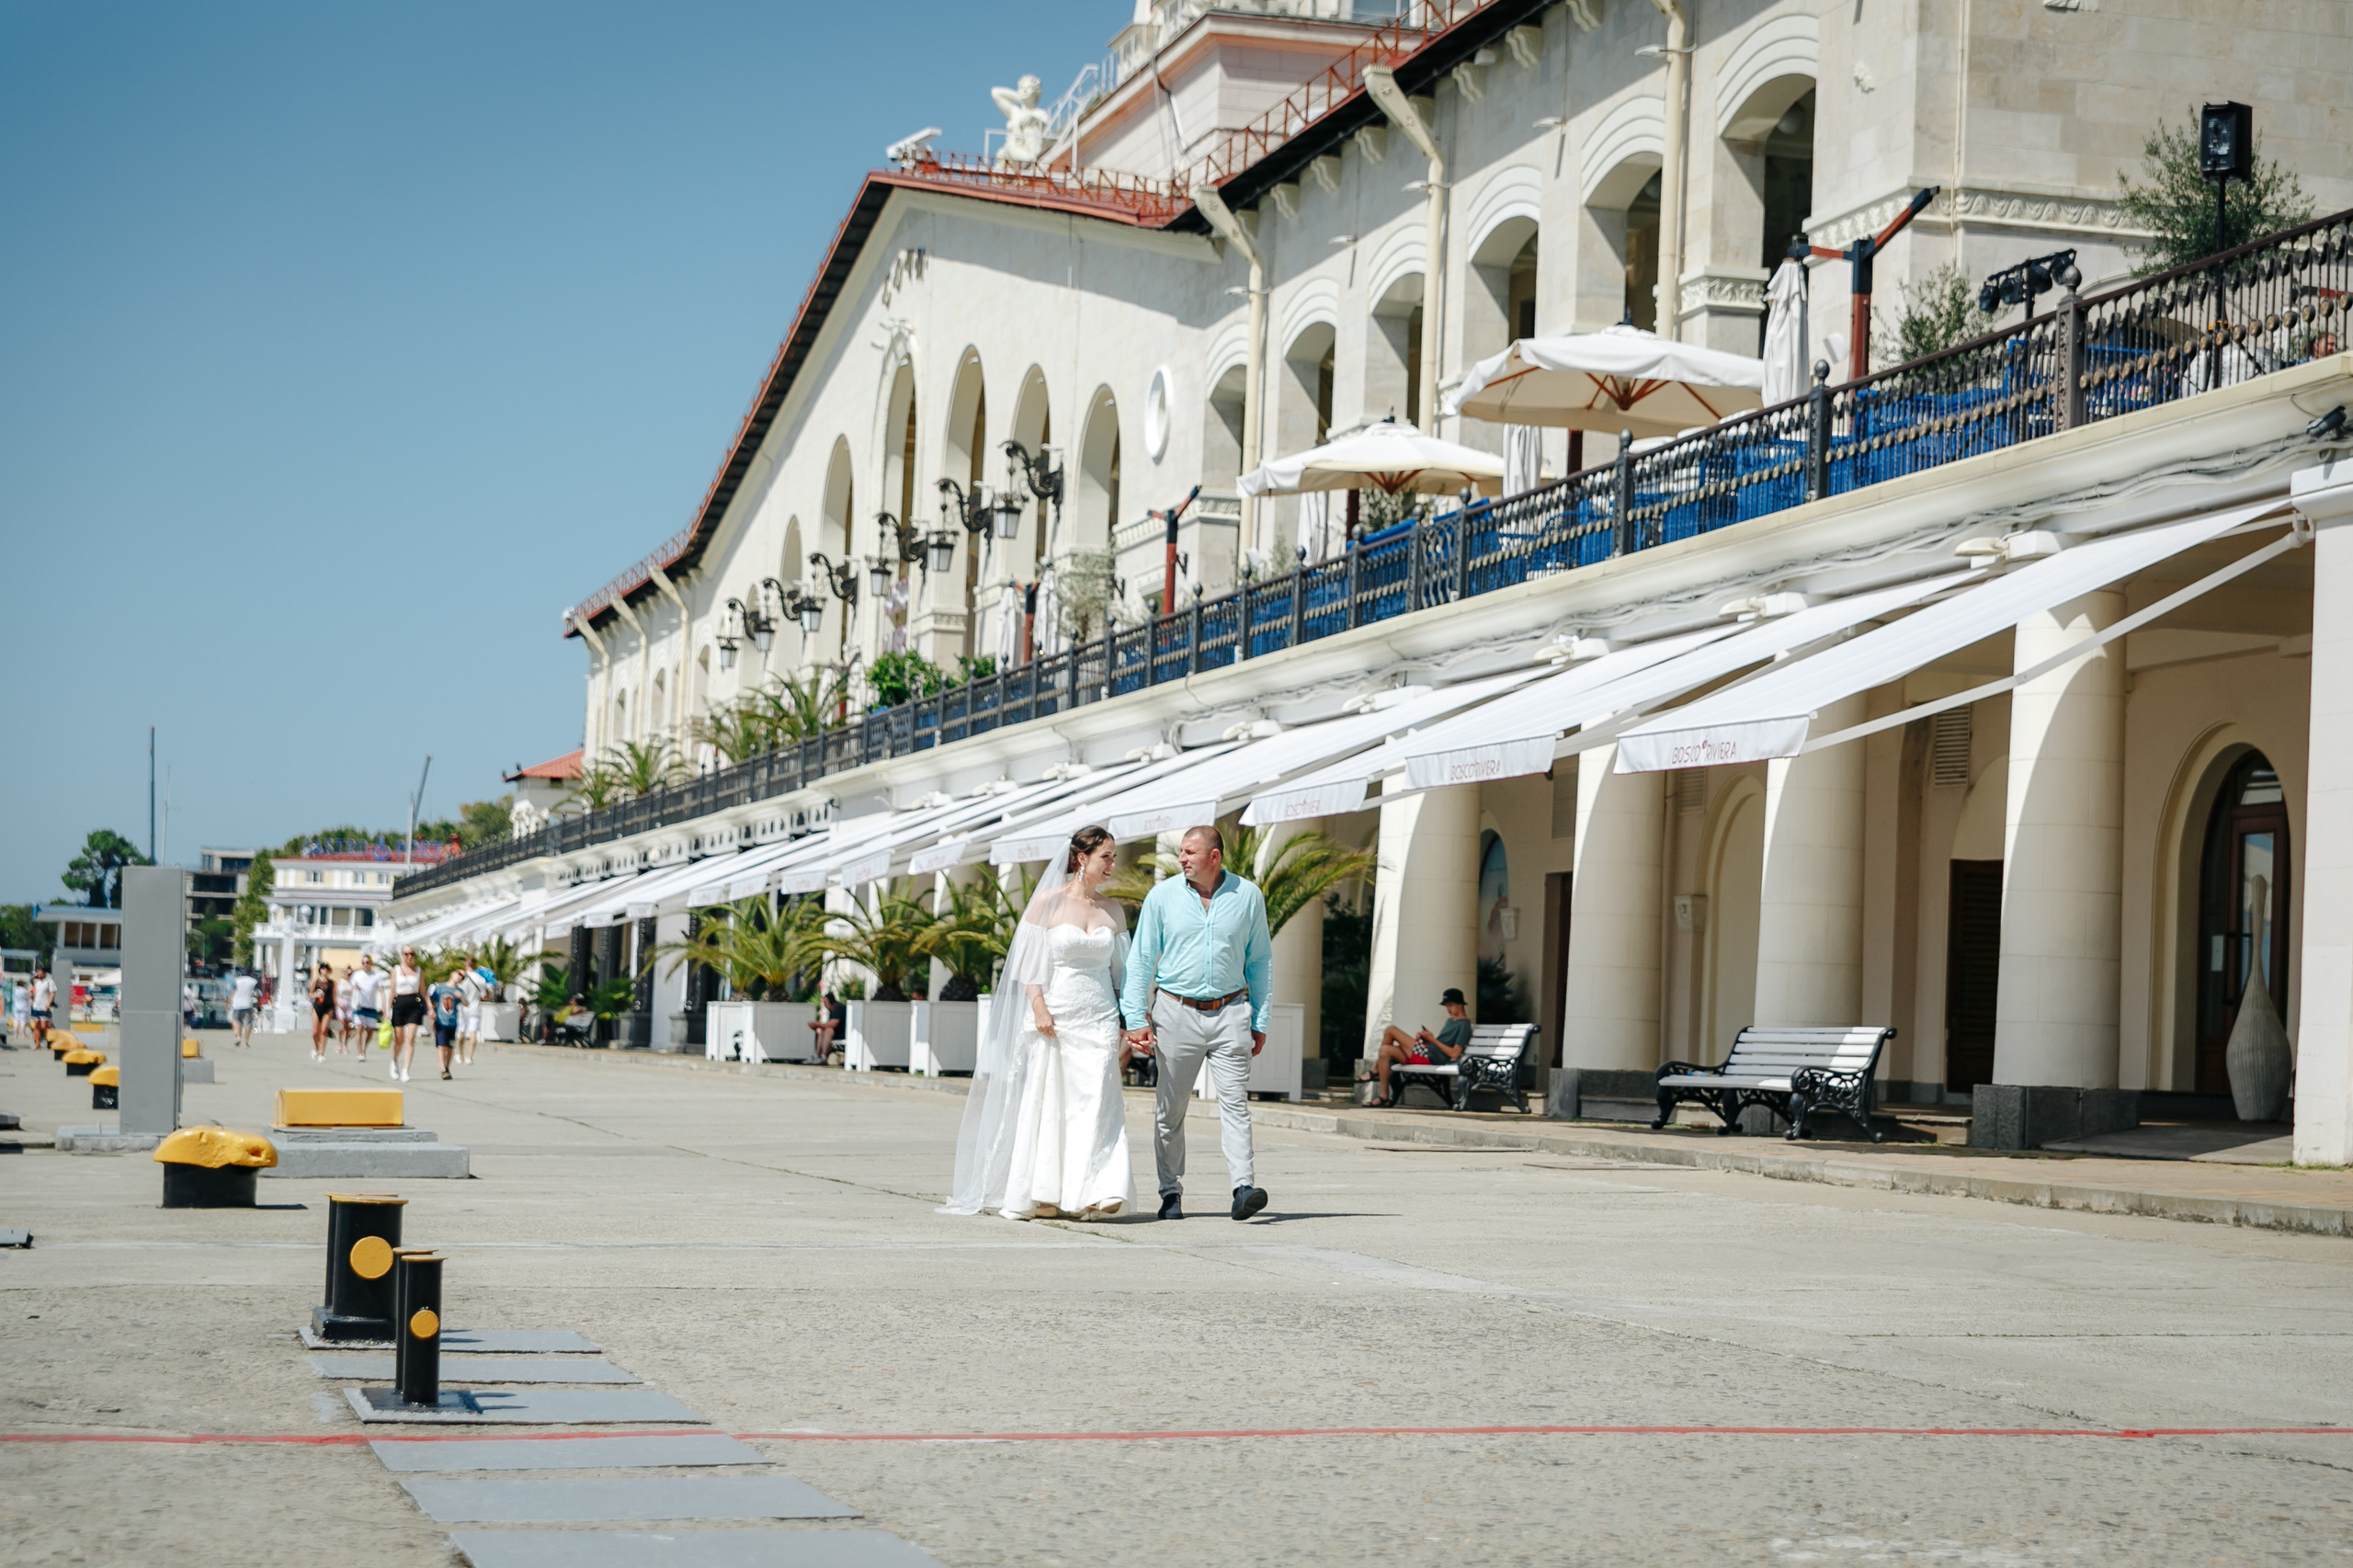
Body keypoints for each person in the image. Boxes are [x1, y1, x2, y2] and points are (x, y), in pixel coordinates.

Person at [941, 825, 1133, 1221]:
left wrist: (1131, 1023)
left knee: (1098, 1102)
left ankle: (1101, 1188)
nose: (1113, 864)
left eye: (1114, 857)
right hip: (1056, 1014)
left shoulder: (1113, 911)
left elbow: (1124, 973)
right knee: (1052, 1102)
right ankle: (1045, 1193)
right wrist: (1039, 1006)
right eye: (1106, 857)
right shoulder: (1046, 902)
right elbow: (1029, 964)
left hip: (1099, 1017)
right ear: (1082, 858)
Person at [1120, 824, 1273, 1222]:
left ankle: (1243, 1188)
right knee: (1170, 1110)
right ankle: (1170, 1193)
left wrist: (1260, 1018)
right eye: (1181, 853)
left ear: (1214, 856)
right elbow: (1140, 960)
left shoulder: (1248, 897)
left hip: (1231, 1012)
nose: (1181, 859)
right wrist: (1135, 1017)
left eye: (1189, 852)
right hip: (1175, 1012)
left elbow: (1260, 962)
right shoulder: (1162, 897)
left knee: (1235, 1105)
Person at [1364, 987, 1473, 1105]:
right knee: (1384, 1050)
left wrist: (1432, 1040)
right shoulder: (1450, 1021)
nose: (1448, 1009)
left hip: (1433, 1057)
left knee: (1391, 1030)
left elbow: (1454, 1053)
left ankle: (1375, 1071)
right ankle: (1384, 1095)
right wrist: (1428, 1039)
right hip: (1427, 1052)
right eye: (1446, 1006)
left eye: (1450, 1005)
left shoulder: (1464, 1025)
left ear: (1460, 1005)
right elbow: (1441, 1044)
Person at [388, 947, 426, 1083]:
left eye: (412, 954)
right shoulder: (396, 970)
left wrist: (430, 1007)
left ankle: (406, 1069)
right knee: (399, 1039)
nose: (409, 957)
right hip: (399, 1003)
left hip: (414, 1004)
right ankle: (394, 1061)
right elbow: (392, 990)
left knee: (410, 1038)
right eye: (406, 954)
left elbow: (423, 990)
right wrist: (388, 1010)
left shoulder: (418, 971)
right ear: (402, 955)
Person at [346, 953, 385, 1062]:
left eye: (367, 963)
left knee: (370, 1030)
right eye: (363, 963)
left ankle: (364, 1048)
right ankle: (359, 1052)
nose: (365, 965)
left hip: (371, 1006)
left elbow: (381, 991)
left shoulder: (376, 976)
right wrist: (354, 987)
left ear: (371, 963)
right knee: (359, 1028)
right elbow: (350, 989)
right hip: (359, 1006)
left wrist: (383, 1005)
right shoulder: (357, 975)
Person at [428, 968, 465, 1080]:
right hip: (441, 1020)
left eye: (463, 977)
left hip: (452, 1022)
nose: (460, 977)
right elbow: (431, 999)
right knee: (441, 1046)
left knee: (449, 1047)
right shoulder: (440, 988)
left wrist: (461, 998)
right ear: (452, 973)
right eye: (459, 974)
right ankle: (442, 1069)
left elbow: (467, 1003)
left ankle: (447, 1067)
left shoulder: (460, 991)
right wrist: (431, 1010)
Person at [807, 990, 846, 1062]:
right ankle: (817, 1054)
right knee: (822, 1030)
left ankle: (823, 1056)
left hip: (842, 1034)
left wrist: (818, 1024)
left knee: (828, 1030)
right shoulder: (832, 1011)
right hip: (837, 1033)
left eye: (825, 1003)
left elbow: (834, 1023)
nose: (824, 1005)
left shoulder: (838, 1008)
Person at [309, 964, 337, 1062]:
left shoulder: (332, 983)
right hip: (318, 1007)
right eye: (322, 969)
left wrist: (335, 1010)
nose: (324, 971)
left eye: (326, 969)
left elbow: (334, 997)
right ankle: (316, 1048)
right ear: (320, 970)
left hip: (328, 1008)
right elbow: (310, 994)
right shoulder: (316, 982)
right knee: (315, 1032)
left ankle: (321, 1053)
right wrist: (315, 995)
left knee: (324, 1030)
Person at [228, 970, 260, 1049]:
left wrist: (228, 1001)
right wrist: (257, 1003)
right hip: (248, 1004)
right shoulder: (253, 981)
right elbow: (257, 994)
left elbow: (233, 991)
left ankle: (238, 1036)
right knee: (248, 1023)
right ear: (250, 973)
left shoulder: (236, 981)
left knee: (237, 1021)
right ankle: (246, 1042)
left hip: (237, 1004)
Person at [29, 967, 55, 1050]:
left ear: (44, 973)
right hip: (36, 1006)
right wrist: (32, 1000)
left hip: (44, 1006)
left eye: (40, 973)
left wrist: (49, 1004)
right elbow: (32, 992)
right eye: (38, 973)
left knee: (44, 1026)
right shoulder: (36, 982)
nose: (39, 974)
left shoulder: (49, 982)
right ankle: (37, 1044)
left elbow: (52, 994)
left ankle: (49, 1041)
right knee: (36, 1025)